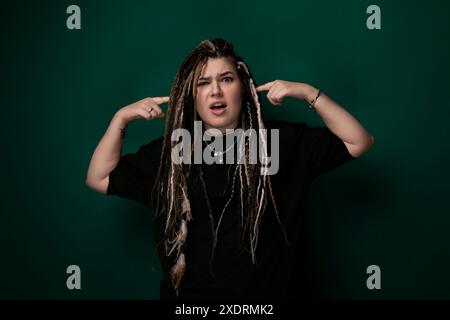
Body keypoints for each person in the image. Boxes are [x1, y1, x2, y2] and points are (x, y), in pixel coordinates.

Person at [86, 38, 374, 300]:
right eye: (203, 83)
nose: (215, 91)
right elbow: (99, 178)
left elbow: (358, 141)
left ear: (244, 87)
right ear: (191, 94)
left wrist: (309, 93)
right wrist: (120, 119)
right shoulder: (172, 152)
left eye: (226, 79)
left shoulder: (278, 142)